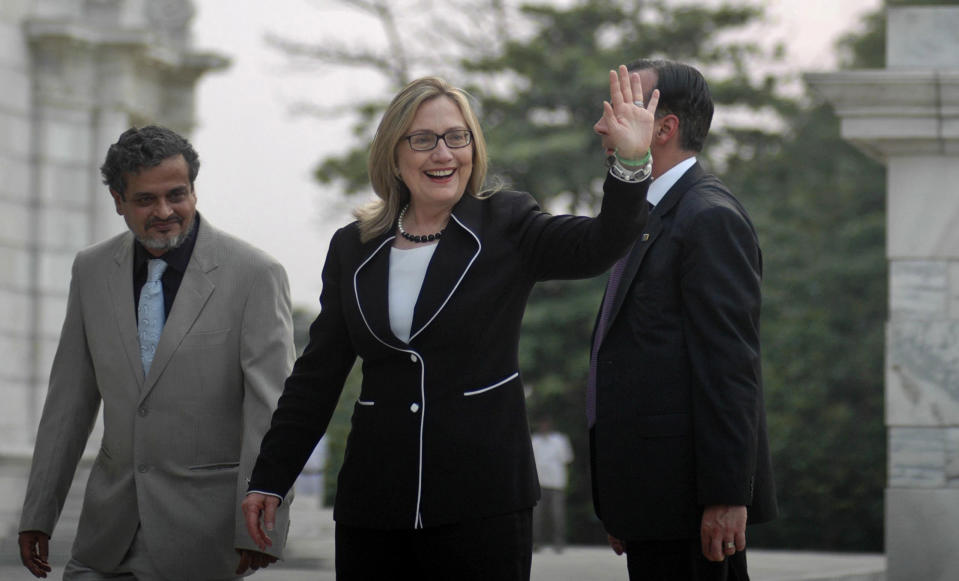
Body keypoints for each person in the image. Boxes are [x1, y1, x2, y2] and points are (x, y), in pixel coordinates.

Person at [241, 66, 659, 581]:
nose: (443, 154)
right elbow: (317, 376)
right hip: (375, 507)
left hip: (483, 504)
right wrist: (271, 478)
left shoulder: (508, 222)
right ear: (394, 154)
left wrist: (632, 163)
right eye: (422, 140)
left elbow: (601, 244)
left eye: (456, 137)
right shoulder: (352, 247)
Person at [17, 126, 295, 580]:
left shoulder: (254, 274)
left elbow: (270, 412)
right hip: (104, 538)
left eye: (177, 195)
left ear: (193, 190)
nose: (165, 211)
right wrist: (37, 513)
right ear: (117, 200)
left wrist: (266, 527)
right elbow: (68, 402)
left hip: (205, 540)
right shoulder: (90, 270)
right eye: (146, 199)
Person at [587, 59, 778, 580]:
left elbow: (730, 366)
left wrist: (726, 496)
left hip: (692, 507)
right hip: (652, 500)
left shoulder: (707, 216)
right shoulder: (643, 214)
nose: (602, 126)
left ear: (664, 128)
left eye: (621, 111)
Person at [531, 418, 574, 553]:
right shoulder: (534, 441)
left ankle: (559, 542)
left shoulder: (560, 440)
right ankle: (537, 542)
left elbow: (567, 459)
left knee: (557, 515)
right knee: (537, 517)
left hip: (556, 483)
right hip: (539, 483)